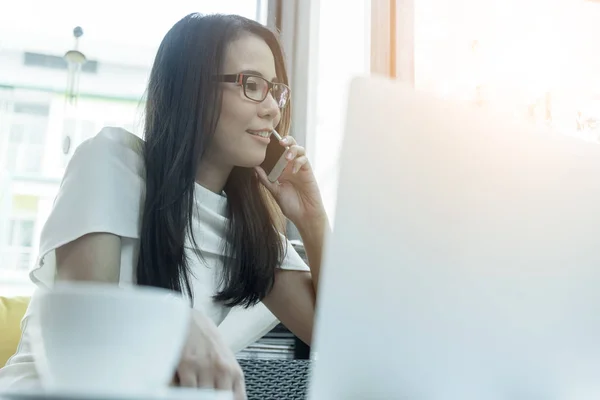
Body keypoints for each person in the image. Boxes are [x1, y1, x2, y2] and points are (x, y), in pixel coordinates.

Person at [0, 13, 327, 400]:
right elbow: (86, 320)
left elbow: (336, 338)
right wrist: (174, 324)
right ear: (193, 91)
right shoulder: (113, 160)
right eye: (252, 85)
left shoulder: (250, 233)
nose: (272, 107)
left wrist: (313, 219)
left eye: (275, 90)